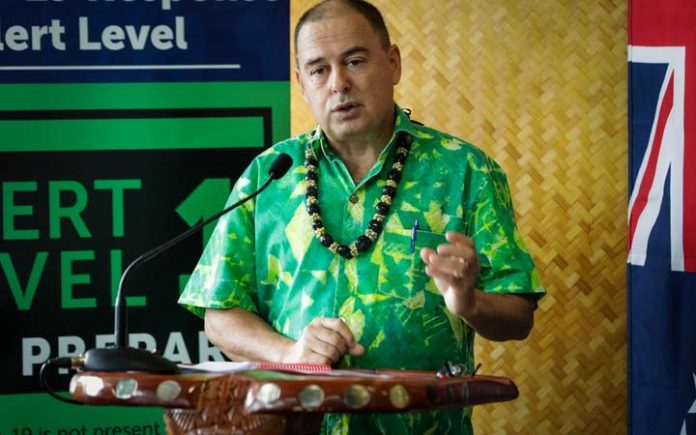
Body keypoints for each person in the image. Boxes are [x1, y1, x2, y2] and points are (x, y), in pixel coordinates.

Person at [179, 0, 545, 433]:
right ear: (302, 84)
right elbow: (220, 317)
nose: (339, 83)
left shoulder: (465, 171)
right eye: (319, 70)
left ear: (393, 64)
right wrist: (289, 353)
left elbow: (517, 316)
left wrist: (470, 302)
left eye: (354, 61)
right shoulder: (270, 175)